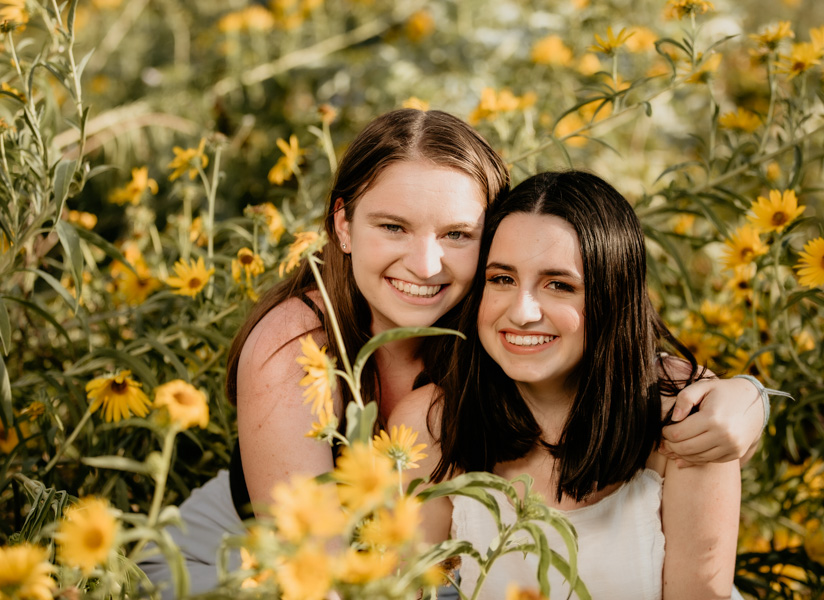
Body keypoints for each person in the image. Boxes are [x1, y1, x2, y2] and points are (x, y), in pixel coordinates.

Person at [139, 110, 764, 597]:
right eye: (393, 227)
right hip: (249, 566)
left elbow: (628, 363)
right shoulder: (298, 342)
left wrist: (748, 399)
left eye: (458, 235)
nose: (426, 263)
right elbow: (313, 571)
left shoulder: (500, 311)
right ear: (343, 225)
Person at [390, 171, 743, 599]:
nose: (522, 312)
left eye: (559, 285)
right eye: (502, 279)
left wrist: (753, 395)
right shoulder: (430, 423)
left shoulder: (685, 418)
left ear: (611, 297)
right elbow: (408, 590)